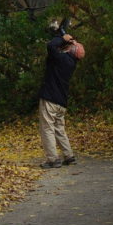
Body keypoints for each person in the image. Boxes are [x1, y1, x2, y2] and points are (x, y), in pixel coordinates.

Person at [38, 30, 83, 168]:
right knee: (59, 129)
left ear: (70, 49)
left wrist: (62, 38)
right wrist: (66, 41)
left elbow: (51, 46)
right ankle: (69, 156)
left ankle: (53, 159)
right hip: (61, 102)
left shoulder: (61, 59)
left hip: (50, 99)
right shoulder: (71, 63)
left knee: (47, 128)